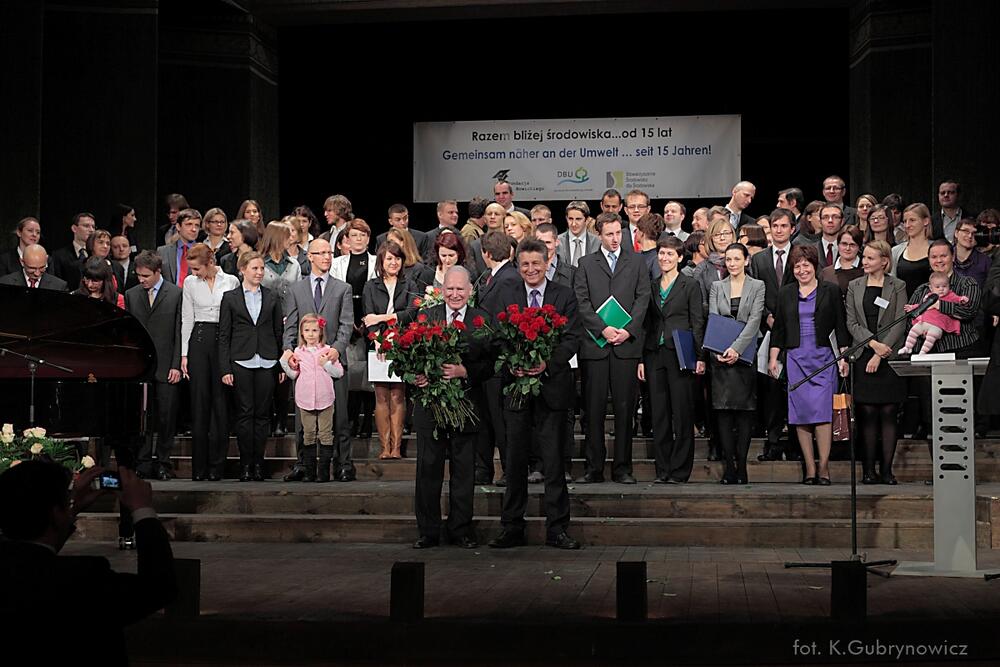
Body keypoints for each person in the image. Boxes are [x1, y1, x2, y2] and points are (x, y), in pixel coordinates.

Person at [0, 461, 176, 663]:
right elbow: (159, 587)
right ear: (56, 513)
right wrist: (142, 508)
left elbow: (30, 558)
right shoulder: (83, 579)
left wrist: (70, 509)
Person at [485, 239, 581, 550]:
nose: (530, 269)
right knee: (514, 461)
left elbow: (572, 339)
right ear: (518, 265)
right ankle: (511, 528)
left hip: (552, 389)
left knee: (553, 462)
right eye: (524, 264)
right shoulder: (506, 294)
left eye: (536, 264)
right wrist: (514, 363)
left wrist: (545, 363)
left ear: (547, 261)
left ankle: (558, 530)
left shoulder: (563, 295)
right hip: (515, 387)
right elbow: (495, 336)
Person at [411, 267, 494, 549]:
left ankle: (460, 530)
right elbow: (408, 358)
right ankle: (428, 531)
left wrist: (464, 370)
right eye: (450, 289)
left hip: (466, 407)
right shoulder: (426, 317)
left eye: (461, 289)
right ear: (441, 290)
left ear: (470, 291)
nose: (455, 294)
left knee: (463, 472)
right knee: (428, 470)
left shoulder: (482, 321)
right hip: (429, 409)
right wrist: (416, 376)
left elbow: (493, 364)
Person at [573, 212, 650, 484]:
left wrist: (627, 330)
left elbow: (643, 299)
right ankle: (594, 469)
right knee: (593, 411)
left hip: (625, 346)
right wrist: (602, 329)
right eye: (609, 234)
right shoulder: (585, 264)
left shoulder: (637, 262)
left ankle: (623, 469)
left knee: (625, 409)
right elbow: (581, 302)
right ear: (599, 235)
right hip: (595, 346)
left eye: (619, 233)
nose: (615, 239)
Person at [769, 244, 849, 485]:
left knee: (823, 415)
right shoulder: (786, 293)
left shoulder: (831, 290)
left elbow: (841, 326)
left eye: (806, 265)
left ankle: (824, 468)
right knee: (801, 415)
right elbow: (779, 330)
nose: (802, 270)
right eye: (797, 266)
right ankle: (810, 469)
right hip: (796, 358)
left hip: (823, 358)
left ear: (814, 266)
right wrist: (773, 358)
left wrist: (843, 357)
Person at [283, 238, 354, 482]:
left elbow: (346, 324)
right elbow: (290, 326)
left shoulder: (342, 288)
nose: (327, 256)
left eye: (329, 252)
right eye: (321, 252)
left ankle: (343, 464)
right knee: (304, 417)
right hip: (305, 363)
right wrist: (288, 351)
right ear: (309, 257)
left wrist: (336, 349)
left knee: (340, 416)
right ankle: (303, 464)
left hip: (332, 361)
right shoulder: (296, 289)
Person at [638, 236, 705, 484]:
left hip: (681, 354)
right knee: (660, 415)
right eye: (662, 254)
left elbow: (697, 321)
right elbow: (646, 324)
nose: (664, 258)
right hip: (655, 354)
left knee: (682, 413)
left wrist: (699, 356)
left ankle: (679, 470)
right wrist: (641, 359)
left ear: (679, 257)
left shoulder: (690, 285)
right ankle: (663, 469)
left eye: (669, 254)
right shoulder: (652, 286)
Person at [845, 241, 908, 484]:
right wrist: (873, 346)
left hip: (889, 356)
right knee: (867, 413)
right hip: (863, 354)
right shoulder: (854, 286)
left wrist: (881, 353)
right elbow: (852, 323)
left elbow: (900, 321)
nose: (865, 262)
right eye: (865, 257)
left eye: (870, 258)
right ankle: (869, 470)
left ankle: (887, 470)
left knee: (889, 412)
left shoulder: (898, 285)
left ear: (884, 261)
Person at [219, 251, 285, 482]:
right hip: (241, 360)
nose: (259, 272)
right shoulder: (230, 298)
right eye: (254, 268)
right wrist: (225, 368)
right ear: (242, 270)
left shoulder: (272, 296)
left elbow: (278, 332)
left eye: (261, 269)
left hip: (267, 360)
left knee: (262, 414)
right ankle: (245, 464)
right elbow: (224, 334)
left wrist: (280, 366)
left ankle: (259, 464)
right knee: (245, 413)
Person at [181, 243, 240, 481]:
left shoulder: (231, 281)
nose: (193, 273)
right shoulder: (189, 283)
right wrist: (184, 354)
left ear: (210, 263)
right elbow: (187, 318)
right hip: (199, 341)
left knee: (221, 406)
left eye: (196, 268)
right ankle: (199, 468)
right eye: (191, 269)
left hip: (223, 342)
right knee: (199, 404)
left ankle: (217, 467)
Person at [708, 243, 765, 484]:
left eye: (736, 259)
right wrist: (722, 351)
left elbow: (755, 321)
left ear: (746, 260)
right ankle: (729, 466)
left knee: (743, 415)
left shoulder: (757, 286)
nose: (731, 264)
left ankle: (741, 467)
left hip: (745, 357)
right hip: (720, 359)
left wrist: (736, 349)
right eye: (728, 260)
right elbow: (714, 318)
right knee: (723, 414)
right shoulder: (716, 286)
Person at [125, 251, 183, 480]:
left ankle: (163, 462)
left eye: (146, 275)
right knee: (143, 417)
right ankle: (143, 462)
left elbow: (180, 330)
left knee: (167, 418)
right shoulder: (131, 294)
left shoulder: (176, 294)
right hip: (141, 367)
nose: (142, 280)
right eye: (139, 275)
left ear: (158, 272)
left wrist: (176, 364)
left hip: (167, 364)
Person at [749, 209, 796, 461]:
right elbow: (756, 292)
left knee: (795, 387)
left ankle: (797, 445)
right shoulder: (759, 259)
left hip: (797, 330)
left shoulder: (800, 255)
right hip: (768, 330)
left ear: (792, 229)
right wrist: (767, 315)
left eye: (783, 226)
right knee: (771, 387)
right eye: (775, 225)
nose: (778, 230)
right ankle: (773, 441)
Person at [362, 241, 416, 460]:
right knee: (382, 395)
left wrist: (384, 318)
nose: (394, 262)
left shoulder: (410, 283)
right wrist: (376, 338)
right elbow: (367, 317)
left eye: (397, 258)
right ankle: (385, 447)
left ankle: (397, 448)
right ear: (381, 262)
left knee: (398, 394)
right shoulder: (370, 286)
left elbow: (411, 313)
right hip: (378, 345)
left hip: (402, 342)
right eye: (389, 259)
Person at [475, 230, 520, 485]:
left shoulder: (509, 278)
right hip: (487, 362)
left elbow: (505, 319)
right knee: (488, 419)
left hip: (499, 362)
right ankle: (485, 470)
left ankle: (509, 470)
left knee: (501, 420)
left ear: (486, 254)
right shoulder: (494, 277)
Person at [279, 313, 345, 481]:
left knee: (325, 434)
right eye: (307, 330)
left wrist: (327, 364)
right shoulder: (298, 352)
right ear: (301, 333)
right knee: (308, 434)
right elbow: (293, 374)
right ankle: (309, 472)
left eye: (314, 330)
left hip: (325, 398)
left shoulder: (328, 351)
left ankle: (323, 473)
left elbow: (339, 372)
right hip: (305, 399)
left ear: (320, 332)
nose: (310, 334)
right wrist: (284, 362)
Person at [899, 271, 971, 354]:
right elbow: (921, 306)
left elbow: (959, 300)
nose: (941, 289)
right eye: (937, 287)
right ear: (931, 288)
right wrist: (912, 307)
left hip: (938, 325)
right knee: (913, 331)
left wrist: (962, 299)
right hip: (924, 321)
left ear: (949, 286)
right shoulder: (929, 296)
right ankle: (908, 347)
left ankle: (923, 352)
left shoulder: (951, 295)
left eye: (944, 286)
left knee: (931, 337)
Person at [890, 203, 933, 297]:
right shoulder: (896, 251)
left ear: (925, 221)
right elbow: (892, 284)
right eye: (905, 221)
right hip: (903, 307)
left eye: (912, 220)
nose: (907, 225)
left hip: (930, 307)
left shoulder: (936, 249)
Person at [51, 212, 96, 289]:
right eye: (86, 226)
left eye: (93, 227)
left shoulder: (96, 254)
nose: (91, 230)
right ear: (74, 228)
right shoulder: (59, 255)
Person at [158, 208, 201, 287]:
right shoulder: (162, 251)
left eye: (197, 225)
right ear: (178, 226)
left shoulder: (204, 252)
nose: (194, 229)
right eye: (189, 224)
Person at [820, 224, 864, 300]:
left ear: (859, 247)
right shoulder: (826, 273)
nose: (847, 248)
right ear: (838, 244)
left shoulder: (866, 271)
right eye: (844, 244)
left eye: (852, 245)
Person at [0, 244, 67, 291]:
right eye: (32, 268)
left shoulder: (59, 286)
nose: (37, 273)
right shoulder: (5, 282)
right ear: (22, 262)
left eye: (42, 267)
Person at [557, 201, 600, 269]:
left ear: (586, 220)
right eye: (570, 219)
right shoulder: (557, 242)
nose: (573, 224)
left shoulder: (597, 242)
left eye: (578, 219)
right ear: (566, 218)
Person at [86, 228, 126, 293]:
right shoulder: (81, 265)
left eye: (108, 243)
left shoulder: (117, 267)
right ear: (91, 244)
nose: (105, 246)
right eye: (101, 242)